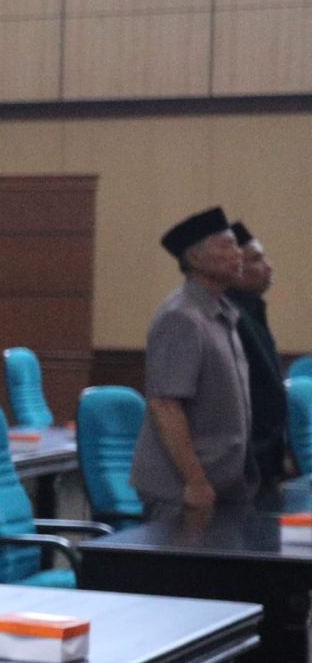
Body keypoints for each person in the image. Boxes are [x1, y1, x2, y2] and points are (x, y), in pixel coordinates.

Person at [132, 208, 255, 511]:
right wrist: (195, 480)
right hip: (183, 491)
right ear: (196, 258)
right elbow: (165, 404)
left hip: (222, 483)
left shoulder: (221, 313)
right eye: (227, 246)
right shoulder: (181, 317)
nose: (238, 254)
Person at [229, 222, 287, 482]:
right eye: (257, 259)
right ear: (235, 268)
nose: (269, 267)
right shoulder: (230, 316)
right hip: (245, 457)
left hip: (265, 456)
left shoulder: (253, 311)